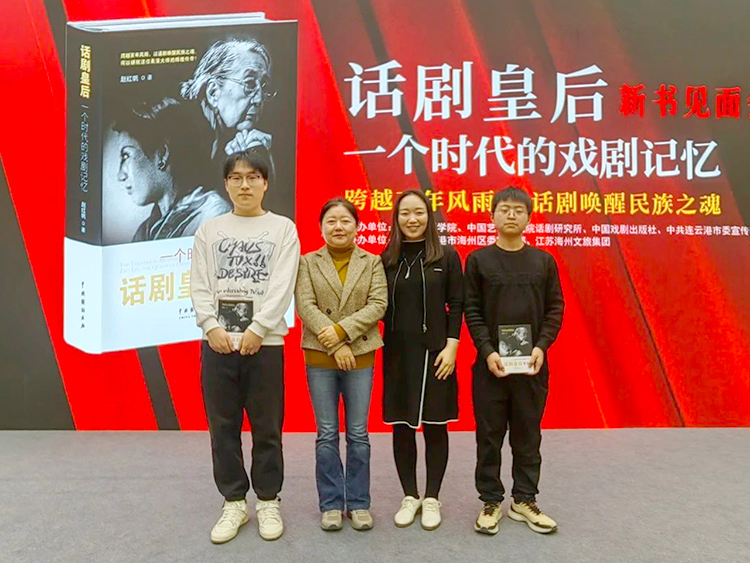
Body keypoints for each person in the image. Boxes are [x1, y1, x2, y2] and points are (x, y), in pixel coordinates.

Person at [190, 150, 300, 544]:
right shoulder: (210, 230)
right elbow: (199, 283)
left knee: (267, 427)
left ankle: (268, 500)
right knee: (223, 427)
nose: (245, 185)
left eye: (253, 177)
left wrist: (258, 327)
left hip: (265, 345)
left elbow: (283, 283)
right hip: (218, 345)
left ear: (265, 183)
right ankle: (234, 501)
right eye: (236, 178)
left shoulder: (283, 229)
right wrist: (210, 325)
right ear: (226, 185)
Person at [464, 186, 564, 536]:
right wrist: (487, 351)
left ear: (528, 218)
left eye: (518, 210)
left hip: (531, 367)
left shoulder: (543, 261)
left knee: (528, 435)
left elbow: (555, 308)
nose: (511, 215)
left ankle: (524, 500)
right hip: (491, 367)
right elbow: (472, 310)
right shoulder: (478, 260)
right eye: (504, 209)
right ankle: (491, 500)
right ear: (492, 215)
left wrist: (542, 346)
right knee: (489, 436)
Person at [295, 197, 387, 532]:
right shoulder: (307, 262)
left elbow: (378, 304)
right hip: (320, 357)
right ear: (321, 227)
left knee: (359, 433)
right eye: (331, 221)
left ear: (357, 226)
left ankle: (359, 503)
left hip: (361, 355)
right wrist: (336, 345)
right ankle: (332, 504)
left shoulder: (372, 262)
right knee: (327, 433)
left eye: (345, 221)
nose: (338, 227)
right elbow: (305, 306)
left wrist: (342, 333)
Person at [380, 190, 464, 531]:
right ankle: (410, 496)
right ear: (396, 218)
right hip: (398, 353)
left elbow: (458, 304)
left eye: (418, 212)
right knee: (401, 425)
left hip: (436, 353)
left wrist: (452, 346)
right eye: (405, 213)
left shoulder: (446, 256)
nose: (412, 219)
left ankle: (431, 498)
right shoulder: (386, 258)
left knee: (435, 425)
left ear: (429, 217)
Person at [112, 98, 231, 242]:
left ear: (162, 154)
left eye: (126, 156)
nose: (120, 175)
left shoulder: (214, 216)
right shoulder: (146, 231)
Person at [180, 38, 275, 168]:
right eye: (249, 83)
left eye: (264, 86)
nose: (259, 99)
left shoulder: (221, 141)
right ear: (213, 92)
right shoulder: (178, 139)